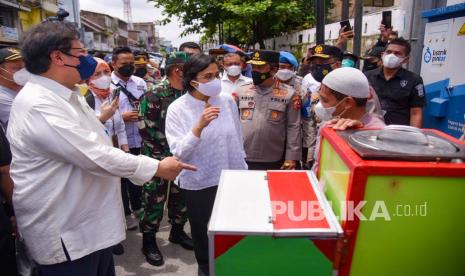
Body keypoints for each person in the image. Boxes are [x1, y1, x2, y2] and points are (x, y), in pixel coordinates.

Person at [8, 21, 195, 276]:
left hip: (88, 229)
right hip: (68, 237)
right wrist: (157, 167)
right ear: (58, 57)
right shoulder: (39, 104)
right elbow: (93, 155)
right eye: (81, 53)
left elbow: (90, 141)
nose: (88, 60)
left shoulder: (67, 94)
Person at [165, 54, 247, 276]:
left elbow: (237, 140)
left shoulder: (227, 101)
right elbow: (178, 152)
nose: (215, 80)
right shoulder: (177, 109)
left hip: (232, 178)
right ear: (193, 81)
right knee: (204, 234)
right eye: (207, 76)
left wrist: (243, 172)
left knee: (233, 230)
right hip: (200, 183)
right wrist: (198, 127)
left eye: (216, 75)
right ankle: (207, 269)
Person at [138, 52, 193, 266]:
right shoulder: (154, 94)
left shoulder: (190, 94)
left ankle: (177, 232)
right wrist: (167, 158)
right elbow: (146, 129)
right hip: (157, 159)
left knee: (181, 199)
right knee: (153, 201)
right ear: (179, 70)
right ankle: (149, 242)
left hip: (183, 156)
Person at [237, 50, 301, 170]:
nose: (254, 71)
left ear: (274, 70)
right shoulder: (241, 91)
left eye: (260, 67)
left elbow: (294, 127)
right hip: (243, 155)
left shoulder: (289, 94)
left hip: (274, 157)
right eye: (253, 67)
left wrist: (291, 157)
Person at [313, 67, 386, 171]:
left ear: (347, 102)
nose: (320, 105)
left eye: (325, 100)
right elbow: (318, 165)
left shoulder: (377, 133)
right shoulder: (329, 124)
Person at [111, 46, 146, 230]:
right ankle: (125, 213)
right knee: (121, 179)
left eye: (131, 63)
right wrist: (122, 117)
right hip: (118, 141)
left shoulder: (140, 82)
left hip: (138, 137)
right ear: (114, 64)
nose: (129, 67)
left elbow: (145, 103)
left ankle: (139, 207)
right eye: (124, 64)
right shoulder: (106, 85)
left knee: (137, 174)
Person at [365, 38, 426, 127]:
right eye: (388, 52)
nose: (391, 55)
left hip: (399, 132)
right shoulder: (367, 76)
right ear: (382, 55)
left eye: (397, 53)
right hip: (370, 129)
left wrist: (414, 136)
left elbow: (416, 113)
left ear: (406, 59)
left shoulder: (414, 80)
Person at [0, 47, 27, 130]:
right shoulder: (2, 97)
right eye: (17, 68)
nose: (23, 72)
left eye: (25, 68)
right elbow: (29, 123)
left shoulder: (25, 89)